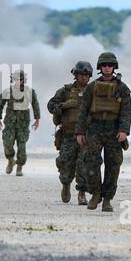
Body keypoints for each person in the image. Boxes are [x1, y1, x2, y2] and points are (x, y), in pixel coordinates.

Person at [75, 52, 131, 212]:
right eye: (104, 65)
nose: (107, 68)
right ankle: (95, 193)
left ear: (114, 67)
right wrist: (80, 132)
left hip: (114, 129)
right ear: (100, 67)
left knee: (113, 165)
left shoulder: (122, 88)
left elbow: (127, 111)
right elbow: (83, 110)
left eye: (110, 65)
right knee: (91, 161)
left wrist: (124, 130)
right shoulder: (92, 87)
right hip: (95, 128)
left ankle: (107, 199)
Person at [46, 61, 92, 204]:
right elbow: (51, 105)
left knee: (85, 164)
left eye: (86, 75)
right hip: (68, 135)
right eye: (81, 74)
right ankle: (66, 186)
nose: (84, 77)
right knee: (66, 163)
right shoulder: (65, 91)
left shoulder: (94, 91)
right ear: (76, 75)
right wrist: (63, 106)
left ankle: (82, 193)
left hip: (87, 135)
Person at [0, 69, 39, 176]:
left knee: (22, 146)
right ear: (13, 79)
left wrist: (37, 119)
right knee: (7, 143)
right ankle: (11, 160)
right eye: (16, 79)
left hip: (23, 124)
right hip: (10, 122)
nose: (18, 81)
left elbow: (35, 104)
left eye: (21, 79)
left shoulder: (30, 91)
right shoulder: (7, 91)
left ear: (24, 80)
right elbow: (0, 104)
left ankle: (19, 166)